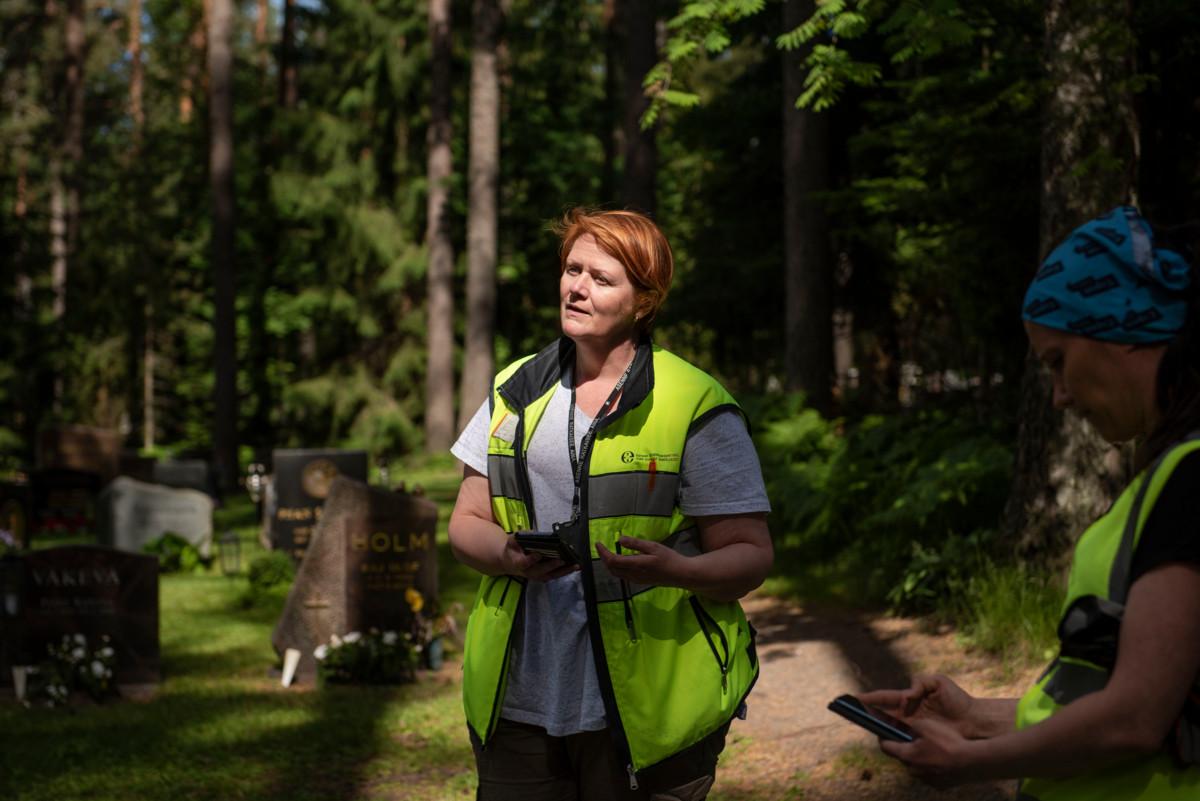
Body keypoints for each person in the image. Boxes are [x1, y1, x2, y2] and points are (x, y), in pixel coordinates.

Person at [859, 206, 1200, 800]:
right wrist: (974, 719)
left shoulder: (1192, 476)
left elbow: (1134, 719)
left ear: (1120, 332)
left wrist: (970, 763)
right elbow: (1124, 698)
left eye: (1058, 363)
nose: (1061, 397)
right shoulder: (1169, 473)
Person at [448, 208, 774, 801]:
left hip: (648, 712)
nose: (577, 287)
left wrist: (676, 571)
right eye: (572, 269)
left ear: (644, 300)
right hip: (519, 697)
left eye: (602, 278)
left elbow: (750, 555)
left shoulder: (695, 403)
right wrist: (506, 553)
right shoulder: (513, 390)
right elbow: (466, 521)